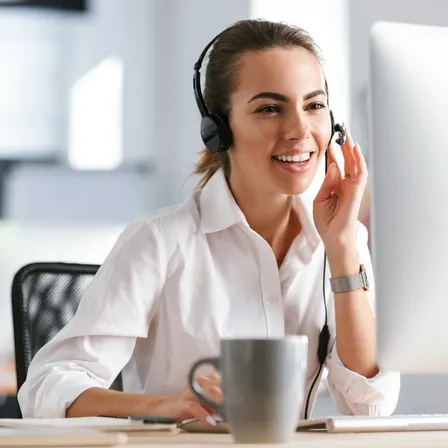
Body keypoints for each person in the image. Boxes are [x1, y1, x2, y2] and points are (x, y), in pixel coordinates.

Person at [18, 19, 400, 423]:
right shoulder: (159, 242)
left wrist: (342, 250)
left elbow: (369, 406)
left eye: (314, 105)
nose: (299, 130)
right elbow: (48, 385)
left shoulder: (341, 242)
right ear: (217, 130)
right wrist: (160, 407)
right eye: (270, 108)